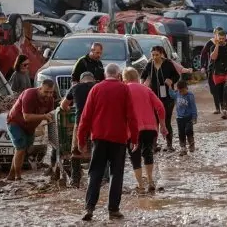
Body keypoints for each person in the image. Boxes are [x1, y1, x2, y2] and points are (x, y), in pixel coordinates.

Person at [77, 63, 139, 221]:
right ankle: (113, 209)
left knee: (95, 172)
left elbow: (85, 116)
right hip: (118, 139)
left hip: (99, 138)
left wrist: (81, 139)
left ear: (105, 75)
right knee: (116, 174)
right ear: (118, 75)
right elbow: (131, 115)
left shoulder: (96, 89)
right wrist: (134, 138)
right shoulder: (124, 89)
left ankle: (89, 208)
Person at [122, 67, 166, 193]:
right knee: (148, 153)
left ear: (124, 79)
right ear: (137, 77)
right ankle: (151, 181)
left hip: (132, 130)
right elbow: (160, 107)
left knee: (134, 156)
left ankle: (140, 185)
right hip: (150, 128)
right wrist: (162, 125)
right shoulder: (146, 89)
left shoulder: (124, 90)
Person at [6, 80, 55, 181]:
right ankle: (18, 177)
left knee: (23, 149)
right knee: (20, 148)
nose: (49, 95)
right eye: (46, 92)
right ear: (40, 88)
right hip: (15, 122)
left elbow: (51, 115)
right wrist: (44, 116)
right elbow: (27, 117)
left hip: (30, 127)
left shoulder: (50, 99)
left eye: (51, 92)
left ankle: (11, 175)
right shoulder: (29, 94)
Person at [59, 71, 97, 187]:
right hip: (96, 122)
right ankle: (97, 179)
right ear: (93, 79)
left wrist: (69, 109)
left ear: (81, 80)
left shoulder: (75, 87)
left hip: (80, 121)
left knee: (76, 150)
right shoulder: (97, 87)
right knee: (96, 149)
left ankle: (75, 180)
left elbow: (63, 105)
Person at [140, 46, 180, 151]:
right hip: (154, 96)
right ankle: (154, 145)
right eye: (153, 55)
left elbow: (177, 76)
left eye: (157, 55)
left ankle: (169, 144)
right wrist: (143, 84)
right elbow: (142, 75)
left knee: (166, 121)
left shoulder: (168, 63)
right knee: (154, 121)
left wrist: (171, 80)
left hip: (167, 97)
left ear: (161, 54)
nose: (155, 57)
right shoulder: (150, 64)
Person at [201, 27, 223, 115]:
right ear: (214, 34)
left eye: (220, 34)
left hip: (222, 69)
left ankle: (223, 107)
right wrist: (203, 66)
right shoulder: (210, 43)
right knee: (213, 90)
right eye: (216, 34)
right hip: (212, 68)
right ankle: (217, 108)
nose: (218, 36)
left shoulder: (226, 43)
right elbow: (203, 54)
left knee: (221, 89)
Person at [171, 80, 197, 156]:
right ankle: (183, 148)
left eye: (183, 91)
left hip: (188, 117)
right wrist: (169, 87)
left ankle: (191, 144)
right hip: (179, 118)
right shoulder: (177, 94)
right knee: (181, 133)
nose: (181, 93)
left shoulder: (190, 95)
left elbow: (193, 107)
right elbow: (172, 94)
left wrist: (194, 117)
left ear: (186, 88)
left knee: (188, 131)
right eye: (180, 91)